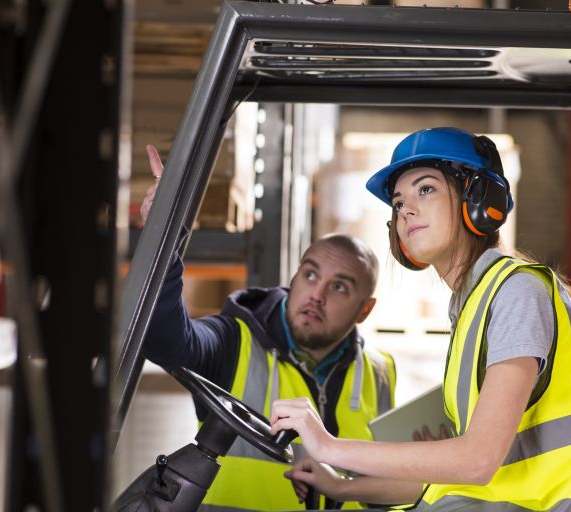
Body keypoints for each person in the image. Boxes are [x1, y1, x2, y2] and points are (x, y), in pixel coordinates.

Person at [270, 128, 571, 511]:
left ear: (479, 199)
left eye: (426, 190)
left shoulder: (517, 293)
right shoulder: (474, 305)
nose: (407, 210)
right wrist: (343, 487)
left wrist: (330, 447)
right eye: (398, 203)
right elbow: (450, 478)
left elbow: (478, 461)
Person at [139, 144, 396, 511]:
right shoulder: (234, 341)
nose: (316, 295)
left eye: (339, 287)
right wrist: (164, 239)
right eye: (310, 275)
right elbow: (164, 341)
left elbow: (386, 484)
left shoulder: (380, 372)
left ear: (364, 310)